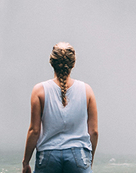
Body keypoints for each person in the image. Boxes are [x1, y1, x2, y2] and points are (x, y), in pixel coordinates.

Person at [22, 42, 98, 173]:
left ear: (51, 62)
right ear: (73, 64)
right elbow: (94, 132)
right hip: (79, 154)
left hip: (48, 156)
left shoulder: (39, 90)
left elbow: (34, 131)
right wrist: (88, 160)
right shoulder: (87, 90)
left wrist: (26, 162)